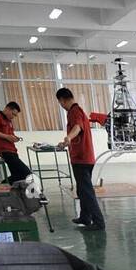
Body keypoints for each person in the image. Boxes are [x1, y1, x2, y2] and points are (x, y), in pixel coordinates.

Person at [56, 87, 105, 230]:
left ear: (63, 100)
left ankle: (99, 222)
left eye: (60, 103)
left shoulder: (74, 112)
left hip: (82, 158)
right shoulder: (78, 111)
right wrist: (67, 141)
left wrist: (68, 137)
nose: (62, 106)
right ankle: (85, 217)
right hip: (84, 157)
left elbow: (77, 127)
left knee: (86, 191)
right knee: (82, 190)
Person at [0, 101, 31, 183]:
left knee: (17, 175)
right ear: (7, 109)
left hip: (12, 151)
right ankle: (1, 186)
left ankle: (5, 188)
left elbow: (10, 134)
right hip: (5, 151)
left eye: (15, 115)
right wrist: (7, 137)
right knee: (26, 173)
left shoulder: (9, 121)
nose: (13, 117)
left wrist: (15, 138)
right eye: (13, 114)